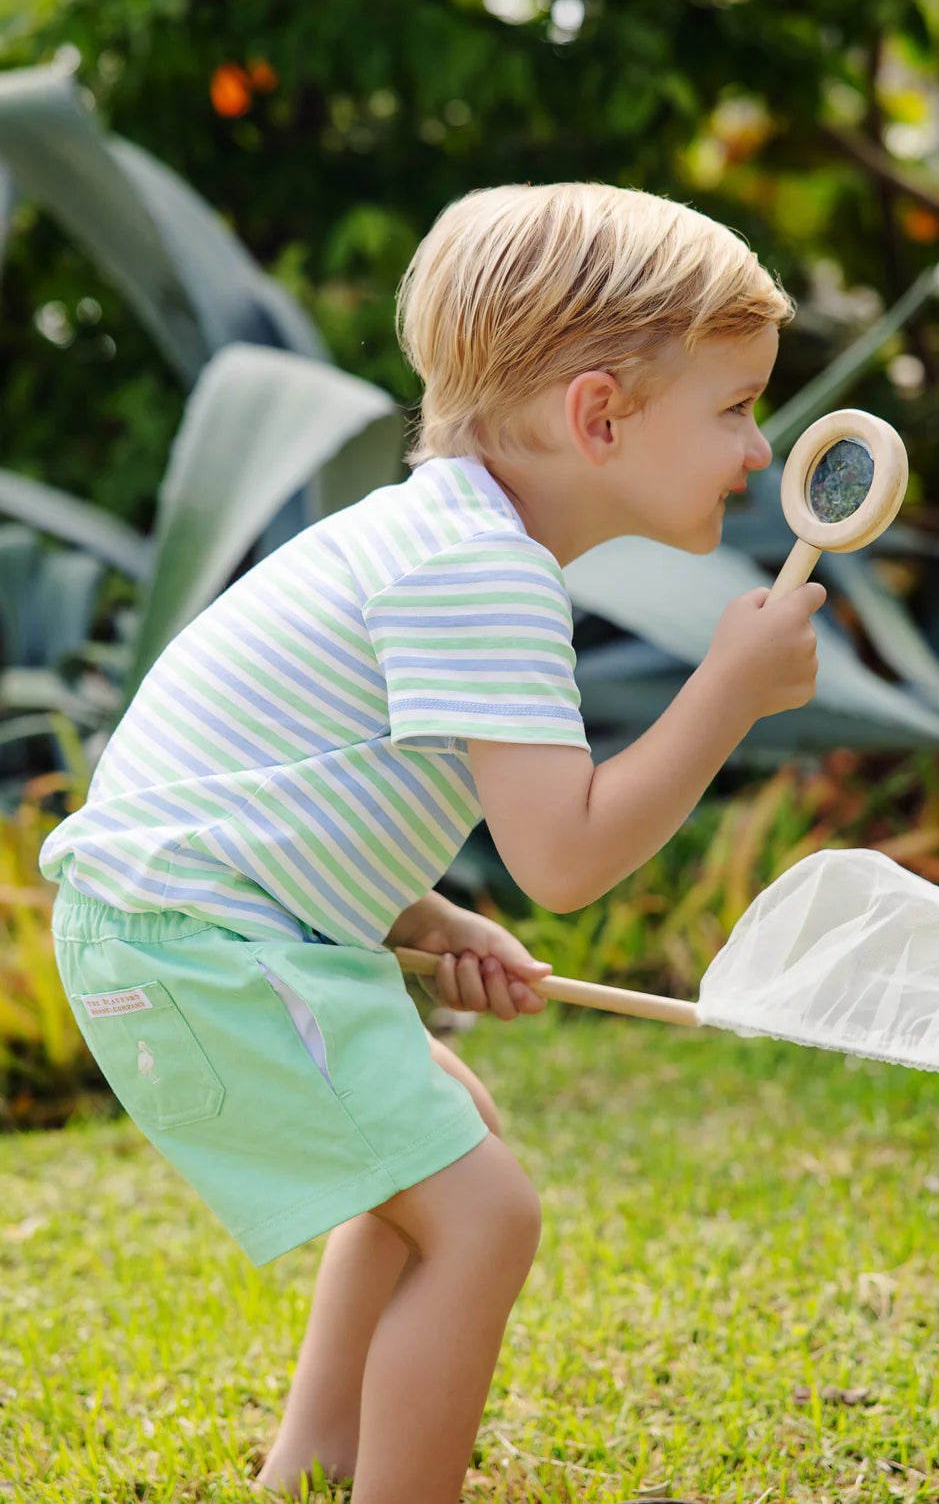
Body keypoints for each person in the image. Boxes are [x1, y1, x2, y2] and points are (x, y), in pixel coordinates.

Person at [39, 181, 826, 1504]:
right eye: (737, 408)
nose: (757, 450)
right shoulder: (484, 570)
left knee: (436, 1131)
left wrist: (424, 920)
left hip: (186, 921)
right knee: (483, 1218)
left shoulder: (444, 538)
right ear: (598, 415)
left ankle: (312, 1466)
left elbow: (282, 784)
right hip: (189, 940)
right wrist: (728, 692)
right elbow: (566, 863)